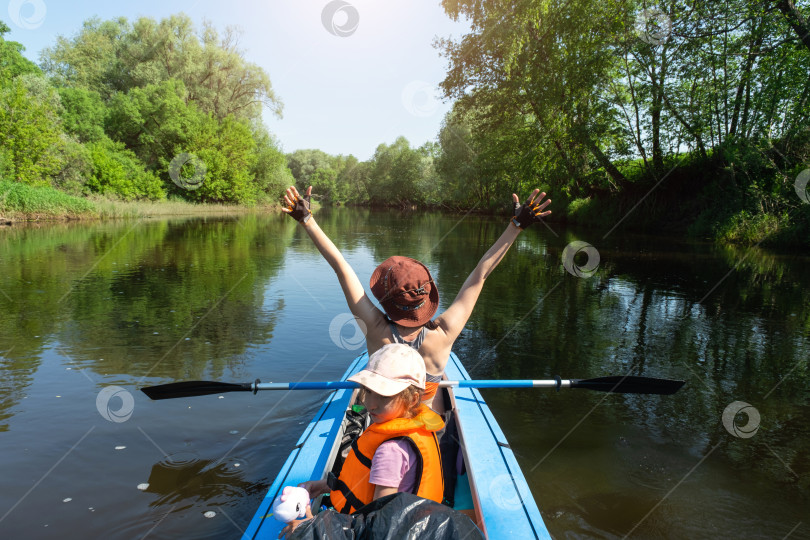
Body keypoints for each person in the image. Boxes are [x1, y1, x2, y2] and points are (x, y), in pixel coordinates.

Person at [282, 185, 551, 411]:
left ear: (387, 299)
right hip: (422, 429)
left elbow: (341, 267)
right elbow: (480, 275)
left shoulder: (376, 329)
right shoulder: (444, 333)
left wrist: (307, 220)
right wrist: (516, 226)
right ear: (427, 299)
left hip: (382, 424)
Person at [279, 343, 445, 538]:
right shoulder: (417, 427)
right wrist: (327, 485)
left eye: (383, 395)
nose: (369, 403)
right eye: (367, 390)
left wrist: (309, 526)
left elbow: (380, 527)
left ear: (413, 398)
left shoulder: (391, 451)